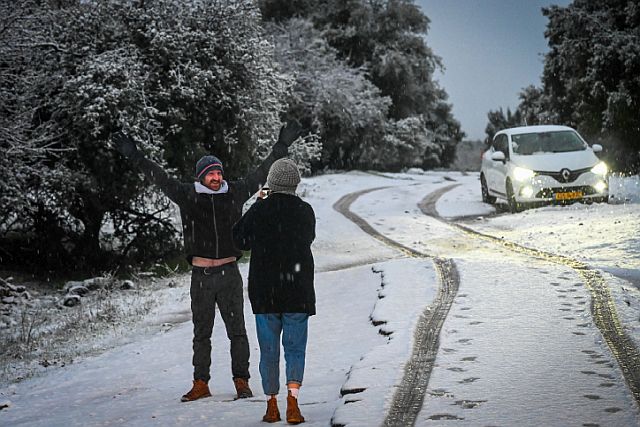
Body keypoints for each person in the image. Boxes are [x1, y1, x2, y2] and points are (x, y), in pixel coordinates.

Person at [112, 124, 300, 402]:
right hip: (201, 276)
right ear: (201, 176)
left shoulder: (234, 192)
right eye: (211, 173)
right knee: (202, 332)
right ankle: (201, 383)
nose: (216, 176)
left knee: (237, 331)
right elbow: (160, 178)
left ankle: (241, 381)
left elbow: (262, 174)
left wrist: (280, 147)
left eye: (219, 172)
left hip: (229, 274)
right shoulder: (189, 195)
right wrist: (135, 156)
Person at [232, 158, 316, 424]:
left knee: (269, 351)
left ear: (271, 182)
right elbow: (308, 238)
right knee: (295, 349)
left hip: (265, 292)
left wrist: (259, 201)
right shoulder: (305, 210)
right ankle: (293, 403)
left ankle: (271, 405)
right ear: (296, 183)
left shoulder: (260, 210)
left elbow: (239, 239)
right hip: (297, 291)